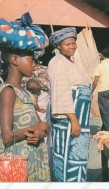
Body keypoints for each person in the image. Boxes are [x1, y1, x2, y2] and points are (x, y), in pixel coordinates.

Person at [0, 12, 50, 181]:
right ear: (15, 60)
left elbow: (42, 125)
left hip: (33, 157)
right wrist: (37, 129)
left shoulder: (24, 92)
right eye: (31, 60)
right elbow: (7, 136)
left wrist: (41, 132)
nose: (35, 65)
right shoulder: (8, 91)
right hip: (18, 162)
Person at [48, 27, 92, 182]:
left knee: (78, 158)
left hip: (79, 119)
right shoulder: (57, 62)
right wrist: (73, 120)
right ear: (59, 46)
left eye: (74, 43)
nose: (72, 46)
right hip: (69, 120)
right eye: (68, 44)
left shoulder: (71, 61)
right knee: (69, 157)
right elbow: (62, 93)